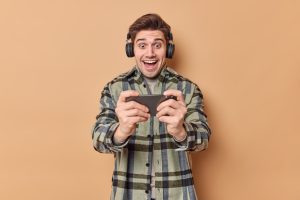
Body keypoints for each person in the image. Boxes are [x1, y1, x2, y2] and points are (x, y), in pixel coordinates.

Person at [92, 13, 211, 200]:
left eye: (157, 45)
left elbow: (204, 139)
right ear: (131, 49)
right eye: (142, 45)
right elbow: (98, 140)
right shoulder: (114, 89)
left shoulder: (188, 89)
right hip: (128, 194)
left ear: (168, 49)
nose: (150, 53)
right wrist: (121, 131)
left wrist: (181, 131)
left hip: (178, 194)